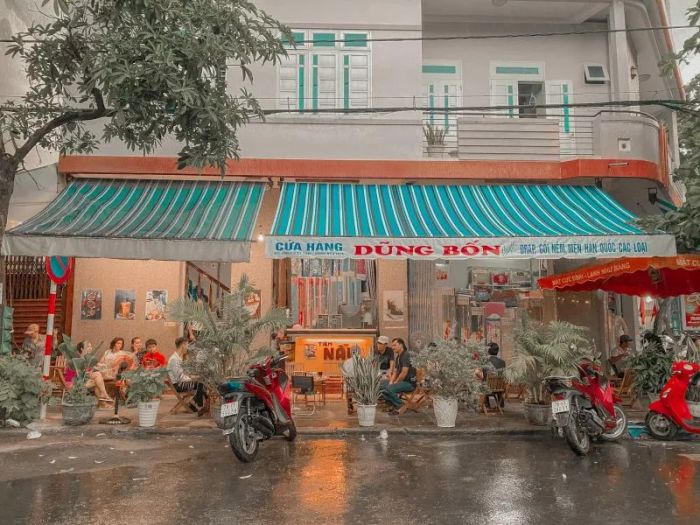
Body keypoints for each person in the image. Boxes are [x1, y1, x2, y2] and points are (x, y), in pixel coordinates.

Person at [167, 337, 207, 415]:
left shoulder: (177, 358)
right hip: (178, 385)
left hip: (180, 383)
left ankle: (196, 404)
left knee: (202, 382)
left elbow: (181, 375)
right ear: (183, 345)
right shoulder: (174, 359)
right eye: (187, 345)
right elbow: (180, 377)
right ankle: (197, 404)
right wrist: (191, 379)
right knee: (201, 383)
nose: (187, 348)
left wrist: (192, 378)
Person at [379, 338, 416, 415]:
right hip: (401, 381)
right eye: (392, 346)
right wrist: (391, 381)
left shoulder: (406, 355)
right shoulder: (398, 357)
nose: (393, 347)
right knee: (379, 385)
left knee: (389, 388)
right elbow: (395, 372)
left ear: (401, 345)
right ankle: (392, 404)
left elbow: (404, 372)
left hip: (409, 383)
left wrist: (395, 382)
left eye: (395, 345)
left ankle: (400, 405)